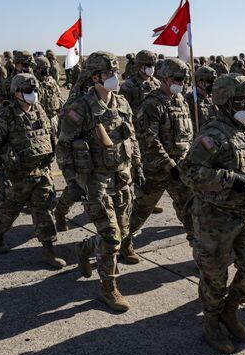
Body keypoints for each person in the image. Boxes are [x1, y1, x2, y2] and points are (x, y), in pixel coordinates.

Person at [180, 73, 245, 354]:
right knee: (215, 278)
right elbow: (189, 172)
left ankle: (229, 309)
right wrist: (228, 178)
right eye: (240, 100)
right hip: (215, 218)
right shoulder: (212, 135)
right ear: (224, 101)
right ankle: (211, 321)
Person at [56, 51, 144, 312]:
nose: (114, 76)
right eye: (108, 73)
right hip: (96, 182)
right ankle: (108, 288)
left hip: (122, 177)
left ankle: (85, 248)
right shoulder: (80, 108)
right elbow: (63, 147)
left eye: (115, 71)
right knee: (112, 237)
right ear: (95, 77)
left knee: (124, 233)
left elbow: (132, 138)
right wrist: (72, 181)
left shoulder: (122, 103)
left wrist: (138, 166)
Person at [120, 58, 195, 264]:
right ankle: (124, 242)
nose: (182, 83)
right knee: (140, 211)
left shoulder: (181, 101)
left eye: (184, 79)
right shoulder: (152, 103)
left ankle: (201, 255)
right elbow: (149, 139)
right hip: (157, 169)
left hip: (180, 169)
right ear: (165, 78)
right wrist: (169, 165)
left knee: (190, 211)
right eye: (178, 78)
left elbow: (187, 135)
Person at [0, 73, 66, 268]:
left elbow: (50, 136)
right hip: (17, 176)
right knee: (9, 211)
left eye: (35, 90)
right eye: (28, 90)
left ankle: (48, 251)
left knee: (44, 211)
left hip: (41, 172)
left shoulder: (40, 110)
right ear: (16, 93)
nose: (33, 94)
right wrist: (0, 175)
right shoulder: (5, 116)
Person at [187, 65, 217, 134]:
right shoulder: (190, 100)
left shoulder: (213, 99)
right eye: (209, 81)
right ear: (199, 82)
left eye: (214, 81)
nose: (212, 84)